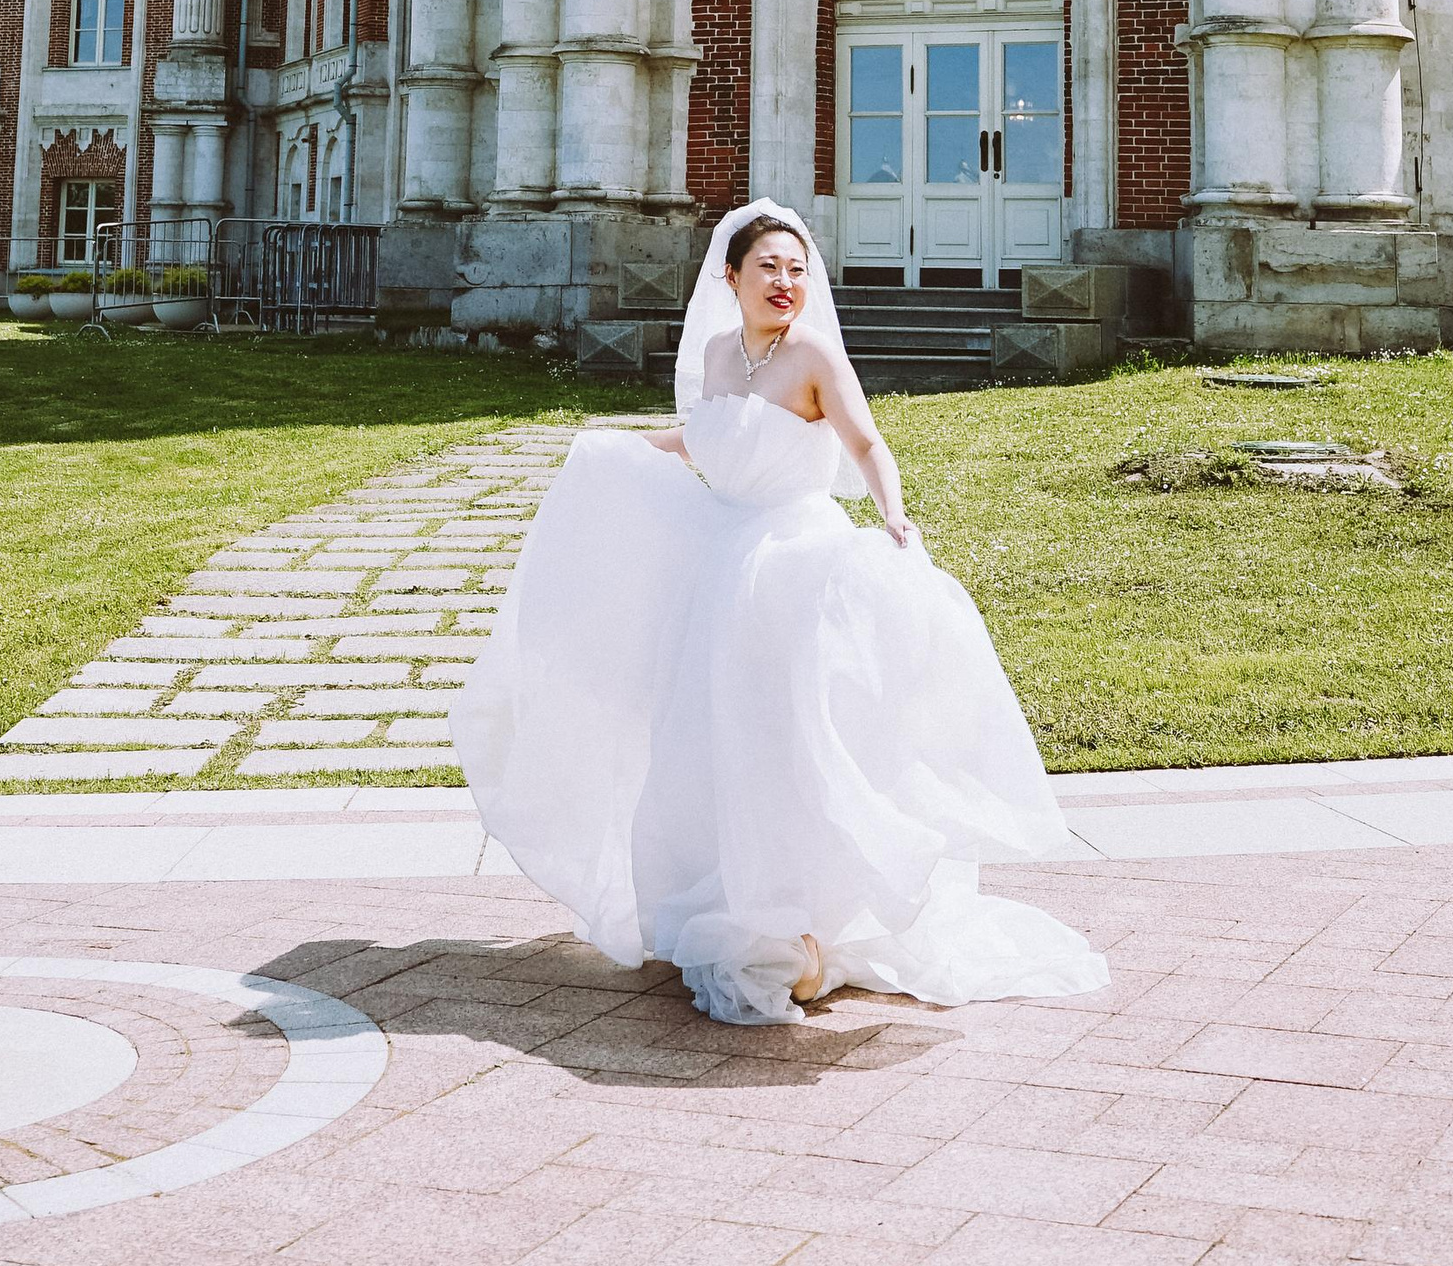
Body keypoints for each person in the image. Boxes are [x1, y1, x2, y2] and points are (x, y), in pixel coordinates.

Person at [450, 195, 1108, 1027]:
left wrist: (892, 510)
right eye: (768, 267)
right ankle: (732, 895)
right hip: (719, 567)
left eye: (797, 269)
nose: (785, 281)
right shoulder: (721, 355)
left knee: (792, 735)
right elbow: (706, 439)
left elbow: (866, 442)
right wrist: (618, 448)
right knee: (708, 736)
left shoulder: (815, 358)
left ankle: (807, 917)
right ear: (731, 277)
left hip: (797, 568)